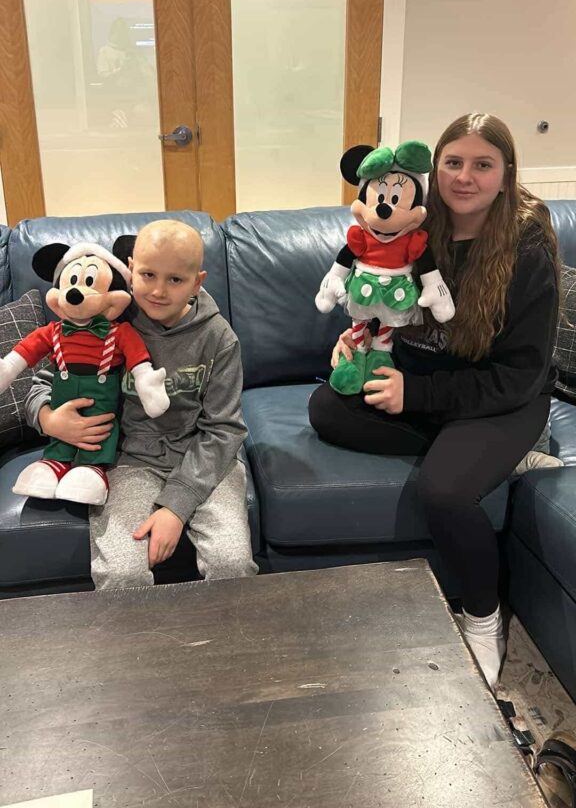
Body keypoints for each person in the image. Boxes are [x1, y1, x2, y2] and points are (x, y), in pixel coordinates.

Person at [309, 113, 560, 689]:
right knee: (327, 408)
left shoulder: (526, 246)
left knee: (444, 491)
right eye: (453, 162)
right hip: (425, 390)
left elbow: (520, 375)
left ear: (506, 173)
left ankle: (483, 615)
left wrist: (415, 394)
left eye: (482, 165)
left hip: (500, 399)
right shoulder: (413, 224)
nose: (464, 177)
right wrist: (359, 339)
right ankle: (494, 459)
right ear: (435, 168)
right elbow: (384, 298)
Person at [25, 219, 257, 588]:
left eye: (175, 280)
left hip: (205, 461)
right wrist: (48, 418)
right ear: (131, 269)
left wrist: (175, 507)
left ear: (197, 282)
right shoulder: (107, 317)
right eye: (148, 275)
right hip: (129, 460)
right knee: (122, 574)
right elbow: (42, 382)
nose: (159, 291)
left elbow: (224, 429)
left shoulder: (219, 338)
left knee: (232, 563)